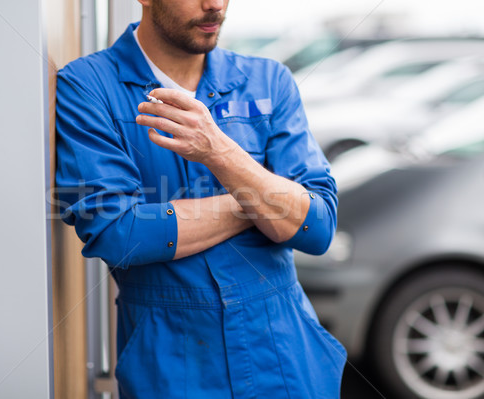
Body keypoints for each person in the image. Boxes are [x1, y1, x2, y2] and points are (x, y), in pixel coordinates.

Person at [55, 0, 347, 397]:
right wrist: (261, 202)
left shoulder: (267, 81)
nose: (215, 5)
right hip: (172, 363)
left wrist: (217, 151)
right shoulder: (89, 86)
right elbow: (119, 232)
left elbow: (317, 227)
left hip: (285, 358)